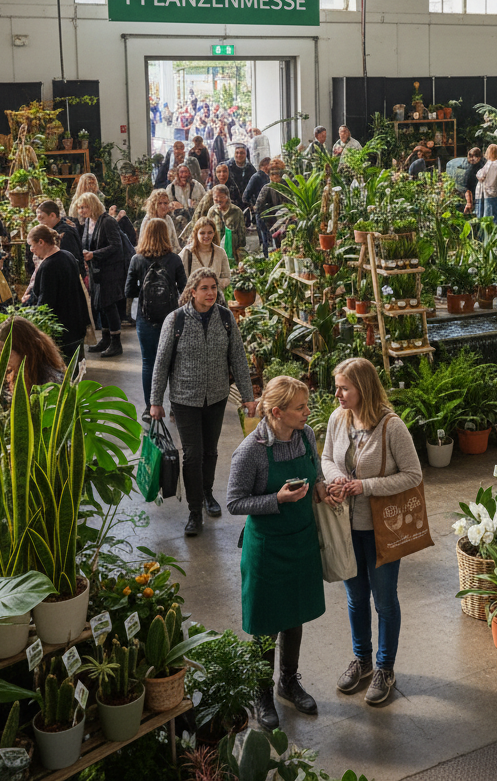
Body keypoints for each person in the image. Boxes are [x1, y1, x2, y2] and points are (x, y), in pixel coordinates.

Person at [226, 375, 334, 729]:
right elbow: (235, 502)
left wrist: (324, 490)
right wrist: (277, 499)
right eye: (301, 407)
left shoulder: (305, 437)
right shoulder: (251, 451)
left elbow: (315, 477)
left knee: (294, 614)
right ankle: (261, 693)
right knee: (265, 624)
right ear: (277, 412)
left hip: (300, 540)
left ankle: (289, 682)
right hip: (267, 548)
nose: (307, 412)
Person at [321, 357, 423, 707]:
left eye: (343, 388)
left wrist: (364, 486)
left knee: (384, 600)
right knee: (354, 597)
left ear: (362, 389)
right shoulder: (338, 419)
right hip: (346, 527)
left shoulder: (392, 427)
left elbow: (413, 475)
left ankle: (384, 668)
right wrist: (337, 479)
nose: (337, 394)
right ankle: (362, 660)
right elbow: (326, 458)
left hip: (382, 529)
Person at [149, 268, 257, 537]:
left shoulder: (226, 318)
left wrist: (248, 396)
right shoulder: (175, 321)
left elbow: (239, 360)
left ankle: (208, 493)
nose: (211, 293)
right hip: (185, 399)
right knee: (193, 454)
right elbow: (161, 364)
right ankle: (195, 511)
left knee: (210, 451)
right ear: (192, 291)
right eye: (205, 288)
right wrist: (155, 401)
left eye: (214, 288)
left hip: (217, 397)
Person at [125, 218, 187, 421]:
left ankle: (150, 407)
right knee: (174, 363)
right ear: (166, 233)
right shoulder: (175, 260)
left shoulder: (137, 259)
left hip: (146, 319)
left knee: (148, 363)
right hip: (172, 318)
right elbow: (184, 289)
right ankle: (175, 408)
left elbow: (129, 290)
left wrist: (143, 289)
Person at [24, 224, 90, 365]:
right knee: (76, 372)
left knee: (63, 374)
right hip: (77, 326)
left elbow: (46, 304)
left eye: (32, 245)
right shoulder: (68, 256)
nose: (31, 250)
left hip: (62, 332)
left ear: (41, 242)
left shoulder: (48, 266)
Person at [75, 192, 127, 358]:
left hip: (110, 271)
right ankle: (105, 339)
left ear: (93, 205)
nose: (81, 211)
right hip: (96, 270)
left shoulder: (108, 222)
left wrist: (94, 254)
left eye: (84, 207)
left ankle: (116, 342)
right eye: (80, 208)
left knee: (109, 305)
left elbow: (116, 246)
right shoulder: (90, 222)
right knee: (101, 305)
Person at [0, 317, 66, 393]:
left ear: (24, 351)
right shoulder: (15, 374)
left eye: (3, 354)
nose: (0, 360)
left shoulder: (49, 382)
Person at [181, 216, 231, 290]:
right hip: (193, 298)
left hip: (214, 297)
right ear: (196, 234)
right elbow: (180, 280)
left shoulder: (220, 252)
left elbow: (227, 277)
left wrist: (216, 284)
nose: (206, 236)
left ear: (214, 233)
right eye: (202, 233)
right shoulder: (187, 252)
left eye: (210, 232)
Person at [36, 199, 83, 269]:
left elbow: (70, 260)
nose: (40, 223)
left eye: (42, 218)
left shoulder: (66, 232)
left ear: (52, 216)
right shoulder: (55, 229)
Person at [254, 161, 289, 253]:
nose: (275, 176)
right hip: (272, 222)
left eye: (277, 173)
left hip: (287, 219)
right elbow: (258, 206)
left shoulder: (287, 185)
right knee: (276, 246)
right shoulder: (267, 188)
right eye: (272, 173)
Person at [207, 184, 246, 262]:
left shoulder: (236, 211)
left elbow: (241, 235)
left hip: (233, 252)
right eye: (216, 197)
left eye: (222, 197)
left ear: (227, 198)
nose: (219, 200)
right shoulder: (212, 212)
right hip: (216, 252)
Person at [474, 144, 497, 222]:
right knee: (494, 213)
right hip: (495, 191)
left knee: (487, 214)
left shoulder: (490, 163)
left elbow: (481, 175)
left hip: (486, 192)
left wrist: (478, 173)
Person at [225, 143, 256, 207]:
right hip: (230, 203)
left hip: (247, 204)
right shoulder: (226, 167)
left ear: (246, 154)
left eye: (242, 153)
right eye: (237, 153)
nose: (239, 155)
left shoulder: (251, 169)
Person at [463, 147, 485, 214]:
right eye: (470, 156)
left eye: (475, 156)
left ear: (480, 157)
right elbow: (467, 188)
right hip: (475, 194)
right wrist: (469, 202)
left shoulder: (484, 165)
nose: (472, 158)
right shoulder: (469, 170)